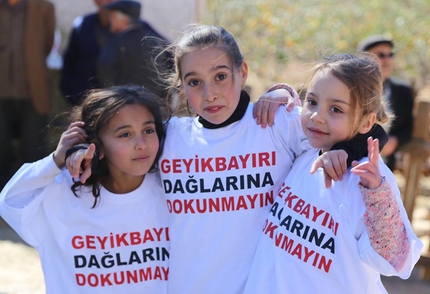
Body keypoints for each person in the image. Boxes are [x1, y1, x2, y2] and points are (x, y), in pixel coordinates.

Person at [66, 25, 388, 293]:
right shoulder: (170, 138)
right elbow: (117, 151)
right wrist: (78, 152)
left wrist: (348, 150)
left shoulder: (273, 123)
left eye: (220, 76)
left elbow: (366, 131)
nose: (210, 94)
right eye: (194, 82)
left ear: (242, 71)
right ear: (180, 86)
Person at [244, 54, 423, 294]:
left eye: (336, 109)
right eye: (312, 101)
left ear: (365, 122)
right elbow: (287, 111)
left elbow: (396, 260)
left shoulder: (367, 176)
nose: (317, 116)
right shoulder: (308, 145)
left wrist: (377, 194)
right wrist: (280, 92)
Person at [0, 85, 170, 293]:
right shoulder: (63, 193)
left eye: (148, 130)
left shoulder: (171, 191)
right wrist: (55, 161)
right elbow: (10, 201)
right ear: (97, 144)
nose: (142, 144)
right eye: (125, 134)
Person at [0, 0, 55, 191]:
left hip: (33, 93)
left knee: (34, 150)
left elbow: (46, 45)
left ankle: (32, 204)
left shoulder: (43, 8)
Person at [358, 35, 415, 171]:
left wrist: (395, 140)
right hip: (350, 159)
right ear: (364, 58)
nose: (387, 60)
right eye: (381, 55)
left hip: (384, 165)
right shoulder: (352, 88)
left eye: (390, 55)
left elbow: (408, 127)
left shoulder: (403, 91)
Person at [97, 0, 172, 99]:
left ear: (122, 20)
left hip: (123, 106)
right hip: (154, 106)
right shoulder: (154, 41)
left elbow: (105, 74)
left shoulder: (114, 44)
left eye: (113, 16)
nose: (110, 20)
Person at [60, 0, 116, 106]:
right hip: (83, 101)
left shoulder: (131, 29)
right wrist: (71, 96)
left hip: (117, 103)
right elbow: (69, 62)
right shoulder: (82, 25)